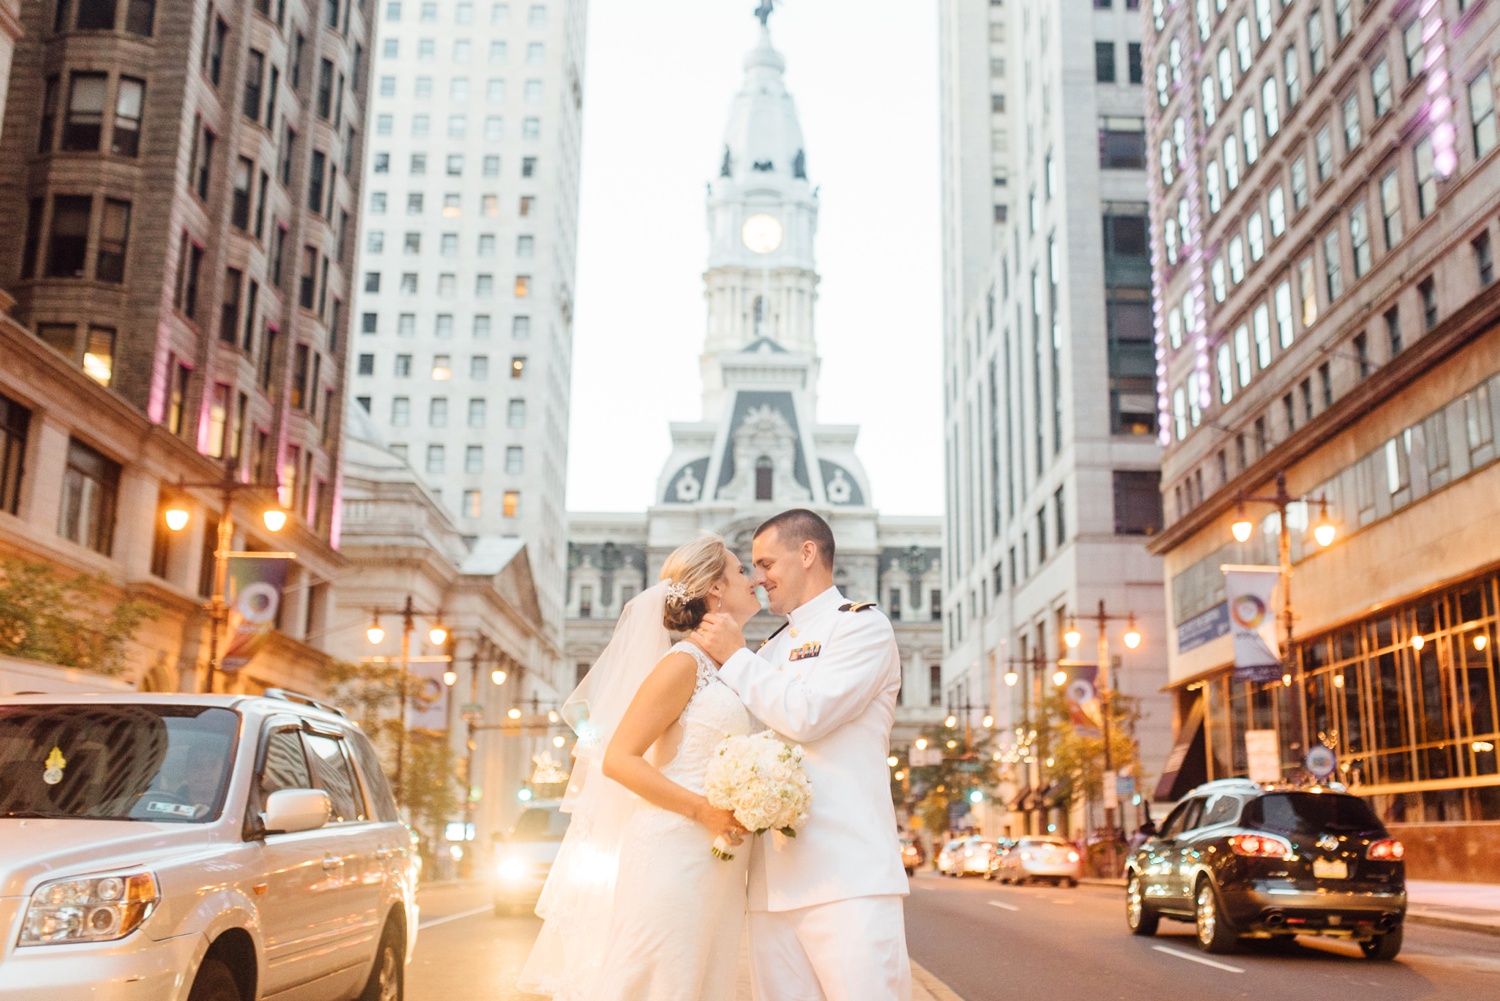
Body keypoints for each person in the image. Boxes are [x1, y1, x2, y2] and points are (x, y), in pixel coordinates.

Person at [518, 533, 764, 1001]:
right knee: (658, 981)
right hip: (674, 852)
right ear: (714, 589)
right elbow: (619, 759)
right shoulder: (683, 662)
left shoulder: (735, 667)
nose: (752, 580)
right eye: (740, 571)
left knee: (699, 980)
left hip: (718, 861)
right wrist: (702, 810)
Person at [697, 508, 913, 1001]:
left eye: (767, 563)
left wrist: (735, 657)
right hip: (773, 885)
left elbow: (807, 716)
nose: (758, 579)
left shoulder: (862, 628)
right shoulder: (769, 650)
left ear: (808, 553)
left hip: (848, 877)